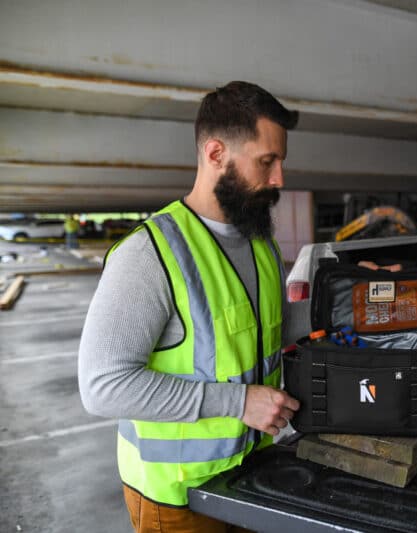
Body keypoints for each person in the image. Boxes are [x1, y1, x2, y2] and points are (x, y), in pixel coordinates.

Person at [78, 81, 302, 532]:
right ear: (216, 153)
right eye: (266, 161)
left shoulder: (262, 244)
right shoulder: (151, 253)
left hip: (251, 477)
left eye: (280, 162)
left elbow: (269, 333)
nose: (279, 179)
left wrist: (350, 304)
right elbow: (102, 386)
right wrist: (238, 401)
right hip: (178, 498)